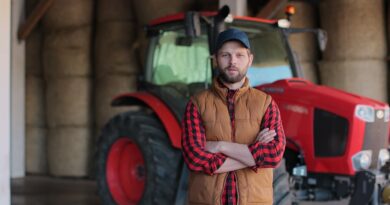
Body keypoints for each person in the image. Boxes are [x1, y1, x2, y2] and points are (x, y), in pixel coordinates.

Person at [181, 28, 286, 205]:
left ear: (250, 59)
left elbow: (274, 155)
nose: (232, 61)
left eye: (239, 55)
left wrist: (220, 146)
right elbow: (195, 159)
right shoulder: (197, 104)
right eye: (225, 55)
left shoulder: (266, 103)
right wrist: (253, 155)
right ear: (215, 59)